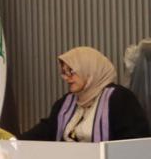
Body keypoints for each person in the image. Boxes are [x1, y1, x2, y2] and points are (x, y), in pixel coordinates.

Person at [19, 46, 149, 142]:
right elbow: (47, 130)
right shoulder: (66, 102)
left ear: (89, 69)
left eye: (71, 71)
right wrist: (14, 141)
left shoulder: (119, 98)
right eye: (64, 72)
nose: (66, 78)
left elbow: (134, 141)